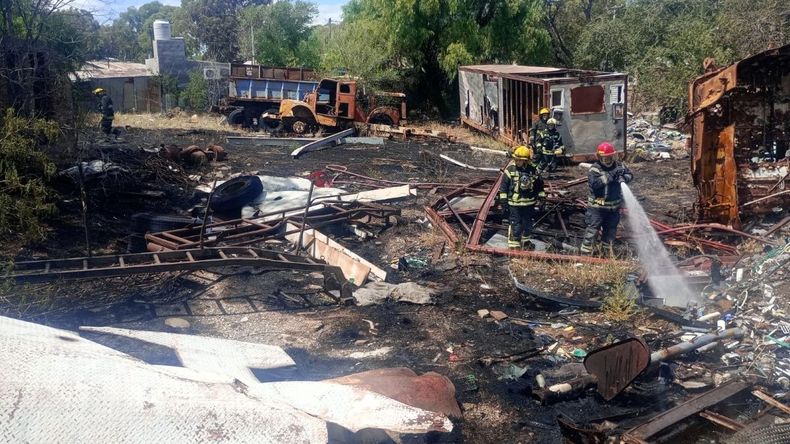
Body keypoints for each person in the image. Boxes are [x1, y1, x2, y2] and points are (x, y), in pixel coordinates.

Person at [580, 142, 633, 256]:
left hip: (613, 209)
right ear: (599, 157)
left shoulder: (620, 165)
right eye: (605, 158)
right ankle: (585, 255)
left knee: (610, 232)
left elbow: (630, 175)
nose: (608, 161)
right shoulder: (595, 169)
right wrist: (611, 175)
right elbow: (595, 184)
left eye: (610, 157)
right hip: (597, 208)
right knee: (592, 231)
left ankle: (605, 254)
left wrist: (624, 177)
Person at [498, 145, 545, 250]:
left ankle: (525, 242)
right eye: (516, 159)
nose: (517, 161)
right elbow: (503, 188)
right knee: (516, 224)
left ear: (526, 160)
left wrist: (542, 198)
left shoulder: (533, 170)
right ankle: (514, 246)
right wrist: (504, 203)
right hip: (514, 204)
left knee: (528, 224)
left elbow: (539, 186)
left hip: (529, 204)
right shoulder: (510, 170)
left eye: (520, 160)